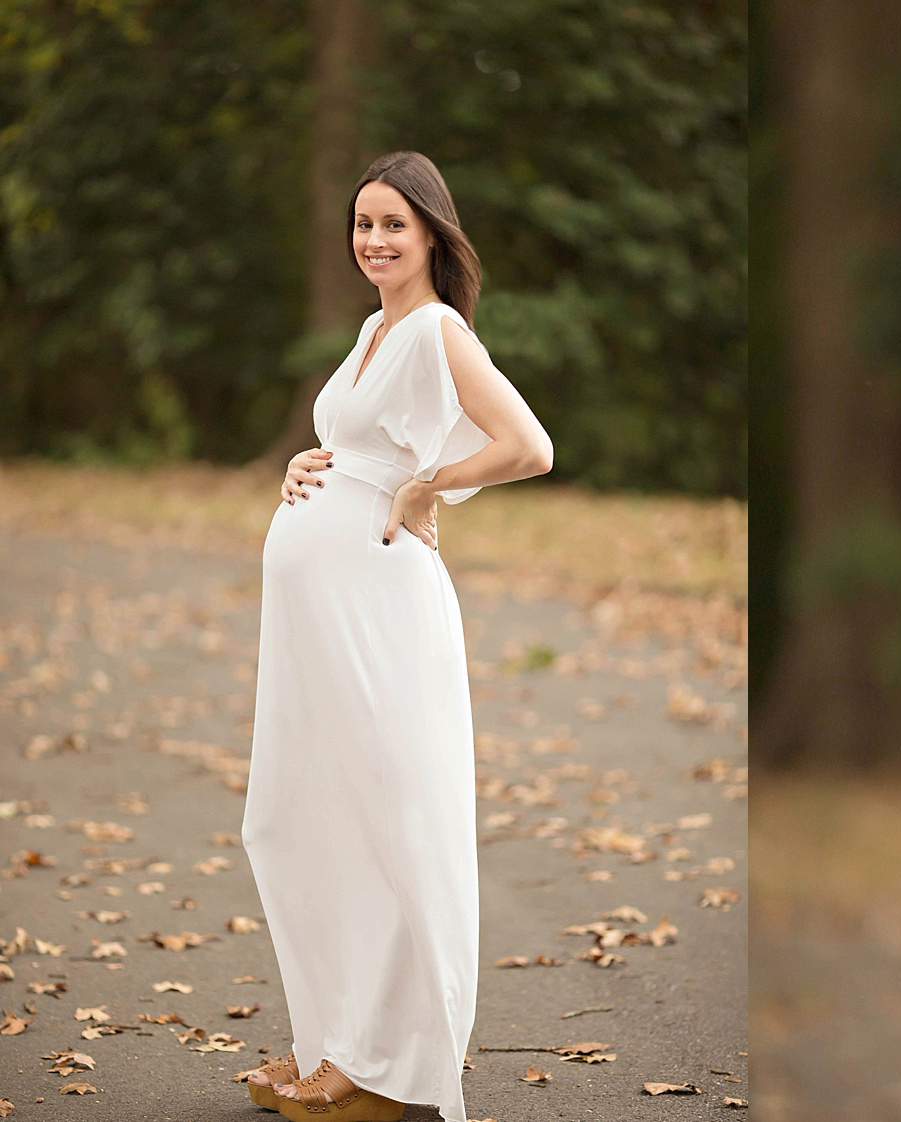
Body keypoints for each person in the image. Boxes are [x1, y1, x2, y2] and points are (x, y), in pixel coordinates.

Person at [240, 150, 554, 1122]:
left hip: (381, 609)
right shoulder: (375, 329)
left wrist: (425, 486)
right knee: (303, 817)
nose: (373, 239)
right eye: (362, 223)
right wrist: (313, 462)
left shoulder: (435, 331)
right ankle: (333, 1041)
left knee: (383, 820)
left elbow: (528, 445)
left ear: (430, 235)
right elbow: (363, 440)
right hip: (319, 617)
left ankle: (384, 1070)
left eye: (393, 225)